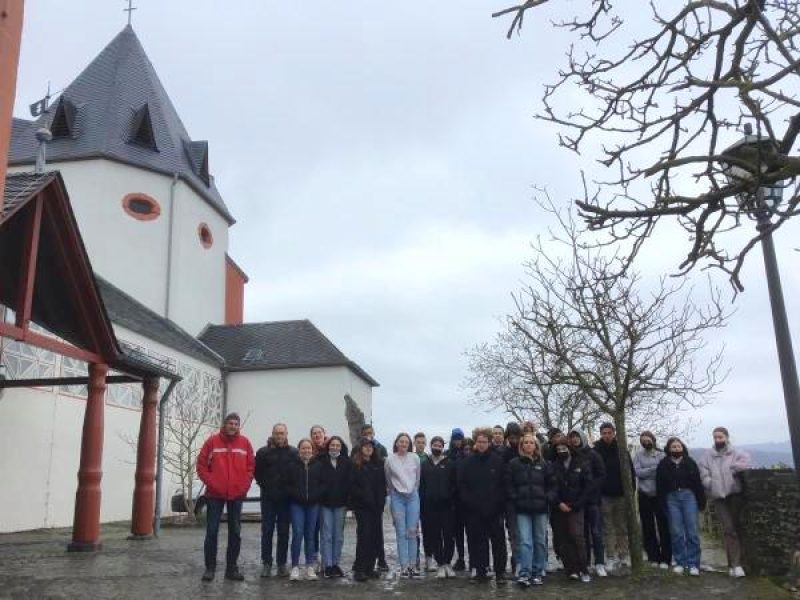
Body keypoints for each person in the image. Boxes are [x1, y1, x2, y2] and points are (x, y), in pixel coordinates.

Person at [196, 413, 254, 582]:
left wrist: (244, 485)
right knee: (212, 532)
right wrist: (212, 483)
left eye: (236, 424)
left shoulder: (245, 443)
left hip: (236, 495)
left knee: (235, 532)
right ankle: (210, 569)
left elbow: (251, 467)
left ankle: (231, 569)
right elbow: (201, 465)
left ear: (239, 426)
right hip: (215, 495)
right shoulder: (212, 442)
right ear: (225, 424)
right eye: (230, 423)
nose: (233, 426)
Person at [698, 427, 752, 578]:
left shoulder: (736, 452)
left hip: (734, 494)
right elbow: (703, 473)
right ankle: (735, 564)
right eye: (715, 437)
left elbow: (746, 463)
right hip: (718, 497)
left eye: (720, 437)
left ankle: (737, 564)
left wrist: (731, 469)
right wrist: (711, 483)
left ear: (727, 437)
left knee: (737, 527)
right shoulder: (707, 455)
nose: (717, 440)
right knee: (728, 529)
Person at [457, 428, 507, 582]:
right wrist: (471, 503)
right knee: (478, 542)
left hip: (494, 510)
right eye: (479, 441)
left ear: (489, 442)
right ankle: (480, 571)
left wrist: (497, 505)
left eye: (485, 442)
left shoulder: (498, 461)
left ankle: (500, 573)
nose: (482, 444)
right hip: (474, 510)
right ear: (475, 443)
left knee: (498, 543)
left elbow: (503, 485)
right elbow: (462, 485)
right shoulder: (467, 462)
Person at [505, 433, 552, 587]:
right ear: (521, 445)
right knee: (525, 542)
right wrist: (515, 497)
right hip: (522, 509)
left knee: (540, 542)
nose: (528, 445)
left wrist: (547, 497)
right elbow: (509, 484)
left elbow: (552, 484)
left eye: (531, 443)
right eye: (525, 442)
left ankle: (538, 572)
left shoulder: (543, 464)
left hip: (540, 509)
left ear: (536, 446)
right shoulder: (514, 464)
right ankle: (524, 572)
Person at [656, 437, 706, 576]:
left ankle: (693, 564)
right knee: (676, 532)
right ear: (669, 449)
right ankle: (680, 562)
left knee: (692, 531)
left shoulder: (690, 463)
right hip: (671, 498)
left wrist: (701, 501)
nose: (676, 449)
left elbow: (697, 483)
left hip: (689, 497)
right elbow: (659, 485)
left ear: (682, 448)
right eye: (673, 447)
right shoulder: (663, 464)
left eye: (678, 446)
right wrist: (662, 503)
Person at [255, 423, 297, 578]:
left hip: (286, 500)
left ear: (286, 434)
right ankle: (266, 563)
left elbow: (296, 474)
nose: (279, 436)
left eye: (282, 433)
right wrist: (266, 486)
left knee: (284, 532)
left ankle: (281, 564)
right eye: (277, 433)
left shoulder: (293, 452)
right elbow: (257, 474)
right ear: (272, 434)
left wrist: (289, 490)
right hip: (268, 499)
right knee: (267, 531)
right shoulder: (262, 453)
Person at [549, 434, 592, 583]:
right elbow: (550, 487)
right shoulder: (553, 466)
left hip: (577, 505)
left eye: (564, 448)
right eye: (559, 449)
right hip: (559, 507)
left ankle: (584, 568)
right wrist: (558, 502)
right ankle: (571, 569)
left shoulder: (581, 463)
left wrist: (576, 504)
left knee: (577, 536)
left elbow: (587, 486)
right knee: (563, 538)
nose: (562, 451)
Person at [593, 422, 635, 571]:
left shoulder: (621, 449)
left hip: (621, 494)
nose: (607, 435)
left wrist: (631, 491)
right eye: (604, 433)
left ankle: (623, 555)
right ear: (601, 434)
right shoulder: (596, 450)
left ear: (614, 433)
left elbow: (630, 471)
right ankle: (610, 556)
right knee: (607, 528)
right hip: (604, 495)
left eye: (609, 433)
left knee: (622, 527)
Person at [568, 429, 607, 577]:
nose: (575, 439)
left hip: (593, 500)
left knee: (596, 532)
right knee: (582, 535)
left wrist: (591, 489)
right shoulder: (570, 456)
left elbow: (601, 475)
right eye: (572, 437)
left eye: (577, 436)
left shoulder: (593, 454)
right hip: (578, 502)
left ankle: (600, 562)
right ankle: (586, 562)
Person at [349, 437, 387, 582]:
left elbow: (382, 486)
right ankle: (359, 569)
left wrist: (381, 501)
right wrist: (363, 497)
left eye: (371, 446)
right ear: (360, 449)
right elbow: (352, 486)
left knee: (375, 537)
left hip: (376, 507)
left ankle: (370, 568)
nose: (368, 448)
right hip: (362, 507)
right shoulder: (355, 465)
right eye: (365, 446)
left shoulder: (378, 464)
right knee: (364, 537)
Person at [385, 432, 422, 577]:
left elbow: (418, 477)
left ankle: (413, 565)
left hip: (412, 497)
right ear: (396, 443)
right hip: (397, 498)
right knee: (401, 532)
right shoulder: (389, 460)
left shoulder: (415, 458)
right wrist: (394, 493)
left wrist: (413, 490)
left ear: (409, 444)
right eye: (401, 442)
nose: (403, 444)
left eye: (406, 442)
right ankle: (404, 566)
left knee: (412, 532)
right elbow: (388, 479)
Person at [420, 435, 457, 578]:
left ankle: (448, 562)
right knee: (435, 536)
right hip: (430, 507)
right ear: (431, 446)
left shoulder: (450, 463)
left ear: (443, 447)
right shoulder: (425, 464)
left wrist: (450, 498)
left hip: (447, 506)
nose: (437, 447)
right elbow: (421, 485)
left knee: (448, 535)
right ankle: (440, 563)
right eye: (434, 444)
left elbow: (455, 484)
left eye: (439, 445)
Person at [286, 438, 323, 581]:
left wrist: (316, 495)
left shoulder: (318, 466)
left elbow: (323, 484)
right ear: (299, 450)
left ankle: (309, 566)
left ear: (312, 451)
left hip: (313, 505)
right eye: (303, 448)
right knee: (297, 533)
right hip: (297, 504)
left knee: (310, 535)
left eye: (309, 448)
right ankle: (295, 566)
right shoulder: (292, 465)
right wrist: (295, 494)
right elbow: (287, 484)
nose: (306, 450)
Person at [633, 431, 671, 569]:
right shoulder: (638, 455)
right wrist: (655, 469)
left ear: (653, 440)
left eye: (648, 439)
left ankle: (666, 557)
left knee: (664, 526)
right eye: (643, 440)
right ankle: (653, 556)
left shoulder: (662, 454)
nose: (646, 442)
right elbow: (637, 472)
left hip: (660, 495)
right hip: (644, 495)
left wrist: (647, 470)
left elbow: (664, 472)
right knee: (648, 527)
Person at [318, 436, 352, 578]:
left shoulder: (347, 462)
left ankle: (336, 563)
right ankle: (327, 565)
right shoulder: (320, 461)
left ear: (341, 447)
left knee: (338, 536)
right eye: (332, 445)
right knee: (326, 535)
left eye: (337, 445)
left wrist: (349, 502)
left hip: (341, 504)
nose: (335, 447)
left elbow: (350, 483)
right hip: (325, 504)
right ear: (328, 446)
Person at [359, 423, 389, 571]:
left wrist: (381, 499)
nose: (368, 435)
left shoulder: (380, 451)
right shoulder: (357, 453)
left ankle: (379, 561)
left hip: (377, 502)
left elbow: (383, 477)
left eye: (370, 432)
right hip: (363, 503)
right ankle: (361, 565)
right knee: (364, 534)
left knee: (377, 532)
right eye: (365, 433)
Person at [447, 428, 468, 572]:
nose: (457, 442)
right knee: (457, 532)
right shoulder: (448, 456)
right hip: (453, 500)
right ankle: (460, 558)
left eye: (459, 439)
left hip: (466, 498)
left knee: (472, 532)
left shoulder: (467, 455)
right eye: (455, 439)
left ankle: (473, 559)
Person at [413, 432, 433, 571]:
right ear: (414, 443)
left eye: (422, 442)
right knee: (413, 530)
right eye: (418, 442)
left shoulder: (428, 459)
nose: (420, 444)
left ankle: (428, 558)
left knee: (428, 530)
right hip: (412, 498)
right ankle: (414, 557)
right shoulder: (410, 458)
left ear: (425, 444)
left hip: (426, 499)